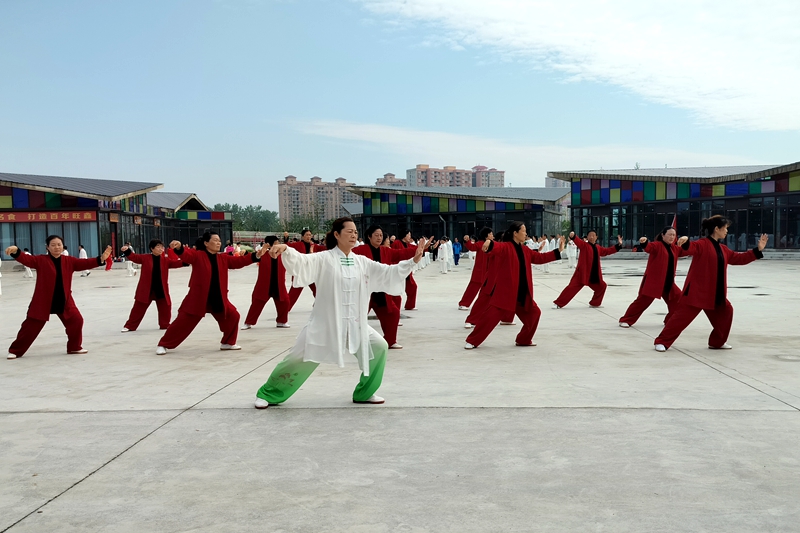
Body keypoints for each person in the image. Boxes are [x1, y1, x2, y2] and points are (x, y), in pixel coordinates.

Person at [253, 218, 427, 408]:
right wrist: (286, 248)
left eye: (355, 232)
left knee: (379, 347)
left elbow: (387, 272)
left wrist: (413, 261)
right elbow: (302, 261)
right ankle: (269, 393)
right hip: (325, 323)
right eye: (349, 231)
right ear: (336, 234)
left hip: (354, 324)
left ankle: (365, 392)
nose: (354, 235)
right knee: (298, 358)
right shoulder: (324, 258)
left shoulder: (361, 262)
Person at [653, 216, 767, 352]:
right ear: (717, 229)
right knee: (680, 319)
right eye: (725, 228)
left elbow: (739, 258)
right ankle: (662, 341)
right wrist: (686, 241)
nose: (726, 231)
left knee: (727, 312)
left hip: (716, 293)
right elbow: (690, 248)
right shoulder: (702, 244)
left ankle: (717, 342)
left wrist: (757, 250)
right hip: (697, 292)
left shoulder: (723, 249)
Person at [155, 231, 268, 355]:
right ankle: (163, 344)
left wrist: (255, 256)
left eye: (219, 240)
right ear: (206, 243)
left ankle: (227, 343)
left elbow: (238, 262)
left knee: (233, 316)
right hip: (198, 298)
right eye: (215, 240)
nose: (218, 243)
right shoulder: (198, 255)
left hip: (218, 297)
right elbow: (187, 255)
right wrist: (179, 247)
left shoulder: (222, 258)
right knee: (182, 322)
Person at [5, 237, 112, 359]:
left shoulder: (69, 261)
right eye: (53, 245)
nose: (57, 247)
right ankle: (15, 350)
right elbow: (27, 259)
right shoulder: (40, 260)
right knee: (30, 326)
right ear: (47, 247)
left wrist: (101, 259)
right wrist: (16, 251)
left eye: (59, 244)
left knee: (76, 320)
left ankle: (74, 347)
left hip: (64, 299)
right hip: (43, 300)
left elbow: (84, 263)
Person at [465, 222, 564, 349]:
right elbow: (497, 247)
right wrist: (489, 242)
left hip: (522, 294)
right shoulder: (506, 247)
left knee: (534, 314)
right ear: (515, 233)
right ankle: (473, 340)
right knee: (489, 318)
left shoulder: (525, 250)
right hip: (506, 293)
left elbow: (540, 258)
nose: (526, 233)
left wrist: (558, 251)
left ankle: (524, 339)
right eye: (523, 231)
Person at [353, 225, 418, 349]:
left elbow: (401, 253)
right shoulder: (360, 250)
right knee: (355, 317)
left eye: (381, 235)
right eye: (376, 235)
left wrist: (420, 249)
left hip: (381, 292)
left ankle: (390, 341)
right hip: (365, 291)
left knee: (393, 313)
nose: (379, 238)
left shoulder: (385, 251)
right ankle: (348, 341)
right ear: (369, 236)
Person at [619, 228, 689, 328]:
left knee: (678, 300)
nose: (672, 237)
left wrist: (686, 241)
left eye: (674, 235)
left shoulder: (674, 248)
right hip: (654, 282)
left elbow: (687, 251)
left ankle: (670, 321)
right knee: (642, 302)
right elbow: (648, 248)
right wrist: (644, 243)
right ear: (663, 235)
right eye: (669, 234)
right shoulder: (657, 245)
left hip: (669, 282)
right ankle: (626, 319)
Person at [120, 239, 184, 332]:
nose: (161, 249)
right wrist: (126, 250)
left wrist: (188, 261)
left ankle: (165, 325)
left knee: (165, 307)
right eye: (158, 247)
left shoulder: (165, 260)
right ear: (152, 248)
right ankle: (130, 326)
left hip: (161, 288)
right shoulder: (145, 258)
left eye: (162, 247)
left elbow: (177, 263)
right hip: (147, 289)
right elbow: (134, 257)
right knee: (138, 308)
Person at [553, 231, 623, 309]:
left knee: (602, 286)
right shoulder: (584, 245)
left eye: (593, 235)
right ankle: (558, 303)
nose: (591, 237)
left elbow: (607, 251)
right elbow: (578, 241)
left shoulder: (598, 247)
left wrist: (618, 245)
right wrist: (573, 236)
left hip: (593, 275)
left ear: (596, 237)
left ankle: (595, 303)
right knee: (571, 288)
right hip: (582, 274)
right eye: (589, 235)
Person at [241, 236, 292, 329]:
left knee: (285, 302)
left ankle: (282, 321)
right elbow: (253, 257)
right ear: (269, 244)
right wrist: (260, 251)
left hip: (278, 284)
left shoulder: (282, 254)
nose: (278, 245)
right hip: (265, 285)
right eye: (276, 243)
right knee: (257, 303)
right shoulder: (262, 253)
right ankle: (248, 322)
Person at [286, 229, 326, 311]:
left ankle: (319, 305)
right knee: (294, 293)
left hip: (311, 272)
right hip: (301, 272)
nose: (309, 236)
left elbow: (325, 249)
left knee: (318, 290)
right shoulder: (297, 245)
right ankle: (285, 308)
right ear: (302, 236)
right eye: (307, 235)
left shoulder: (314, 246)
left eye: (310, 235)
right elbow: (287, 246)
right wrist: (286, 238)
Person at [458, 228, 493, 311]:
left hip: (490, 271)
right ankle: (464, 303)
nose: (492, 235)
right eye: (491, 234)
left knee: (489, 289)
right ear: (486, 236)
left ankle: (488, 305)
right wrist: (467, 241)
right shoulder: (480, 244)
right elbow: (472, 247)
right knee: (473, 287)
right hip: (480, 270)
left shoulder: (494, 244)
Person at [391, 229, 419, 311]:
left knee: (413, 287)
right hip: (398, 269)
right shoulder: (396, 243)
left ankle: (410, 305)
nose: (410, 237)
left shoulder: (408, 245)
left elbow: (415, 249)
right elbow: (392, 255)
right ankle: (393, 307)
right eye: (409, 235)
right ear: (404, 235)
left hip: (406, 270)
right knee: (396, 291)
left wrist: (427, 247)